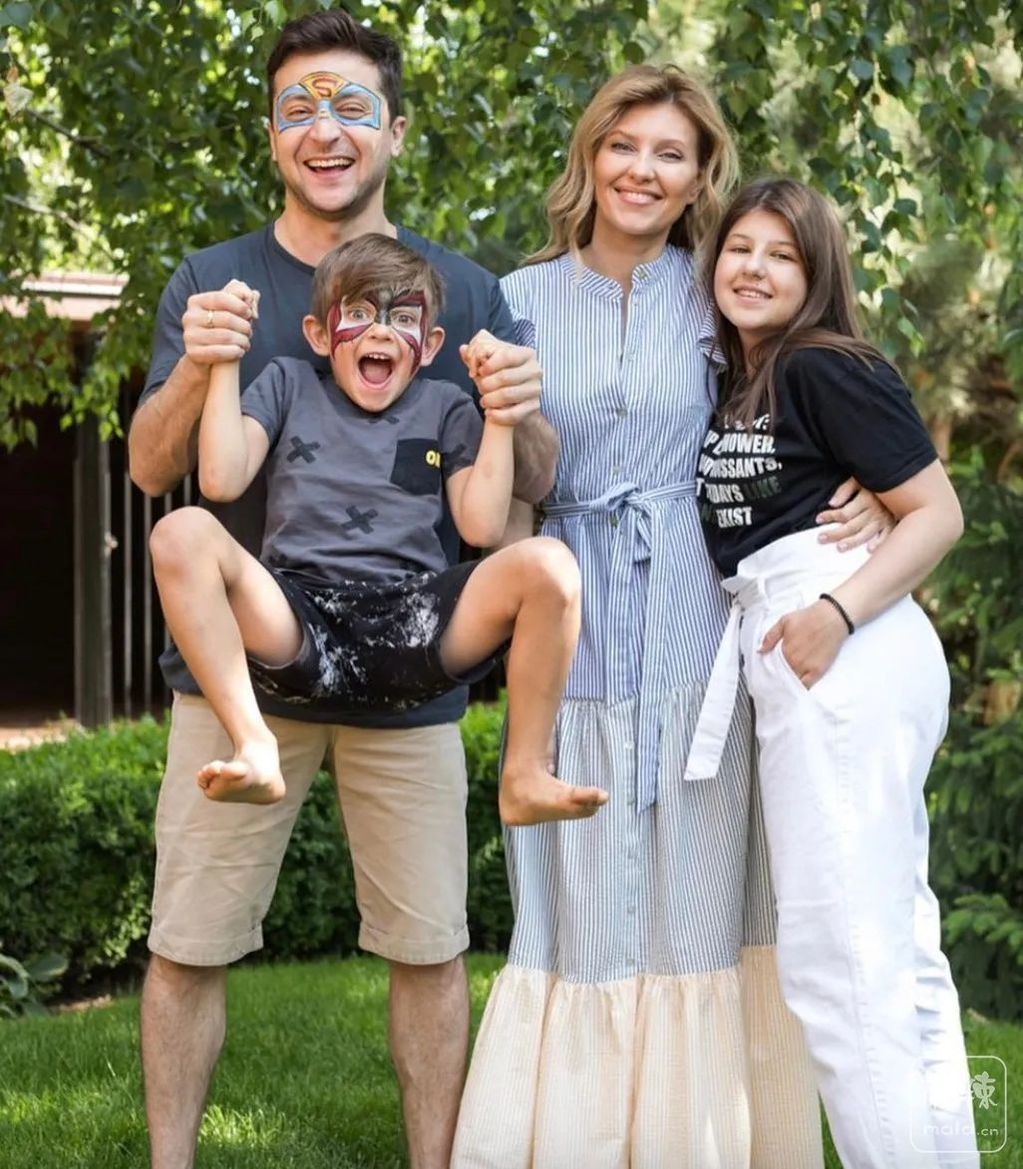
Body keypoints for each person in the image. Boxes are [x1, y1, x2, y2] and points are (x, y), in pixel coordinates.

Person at [127, 10, 559, 1169]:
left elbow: (528, 483)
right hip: (245, 672)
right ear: (274, 135)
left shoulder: (464, 290)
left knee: (429, 946)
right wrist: (205, 361)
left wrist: (522, 407)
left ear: (396, 130)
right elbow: (157, 468)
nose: (325, 130)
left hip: (408, 675)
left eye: (351, 105)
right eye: (299, 108)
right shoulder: (214, 279)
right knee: (188, 941)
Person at [453, 66, 890, 1169]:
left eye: (670, 154)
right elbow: (500, 481)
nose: (642, 171)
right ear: (590, 156)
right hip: (570, 615)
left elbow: (815, 402)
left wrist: (873, 494)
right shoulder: (515, 297)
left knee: (700, 886)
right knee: (578, 889)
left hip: (704, 617)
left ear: (701, 177)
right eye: (623, 145)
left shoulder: (722, 293)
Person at [685, 177, 978, 1168]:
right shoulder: (751, 377)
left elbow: (939, 511)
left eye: (782, 255)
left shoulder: (819, 364)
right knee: (892, 947)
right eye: (740, 247)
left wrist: (836, 613)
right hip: (817, 642)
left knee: (838, 959)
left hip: (839, 643)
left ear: (816, 276)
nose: (753, 268)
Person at [150, 233, 605, 826]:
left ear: (429, 345)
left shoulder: (446, 406)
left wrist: (498, 413)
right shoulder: (288, 383)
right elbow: (221, 479)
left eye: (403, 318)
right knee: (181, 532)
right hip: (299, 618)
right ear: (319, 335)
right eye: (360, 313)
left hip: (415, 622)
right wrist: (225, 358)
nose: (382, 332)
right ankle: (253, 743)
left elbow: (482, 523)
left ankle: (525, 772)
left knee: (551, 563)